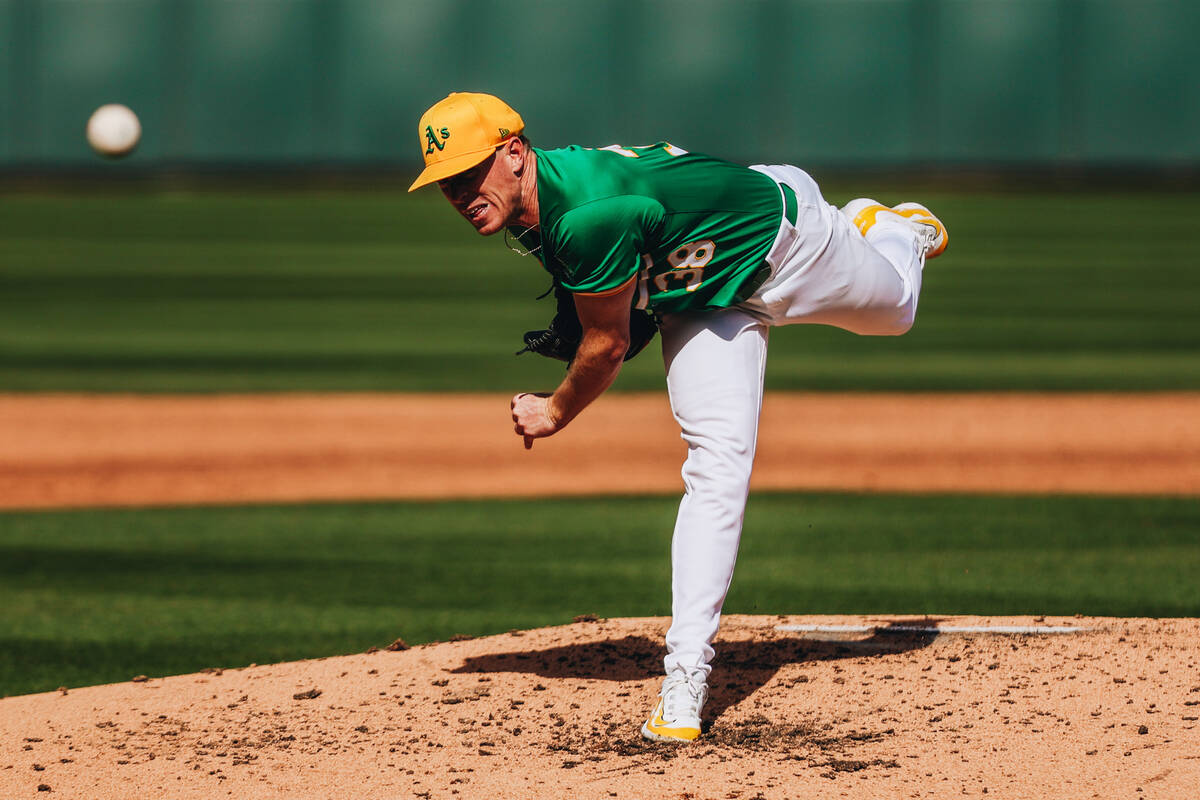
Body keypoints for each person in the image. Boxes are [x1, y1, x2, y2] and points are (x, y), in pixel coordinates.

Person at [408, 92, 948, 743]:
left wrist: (554, 410)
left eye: (470, 171)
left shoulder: (583, 213)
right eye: (446, 183)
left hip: (786, 242)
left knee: (895, 312)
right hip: (700, 296)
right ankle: (685, 681)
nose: (460, 192)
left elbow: (606, 347)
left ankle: (887, 227)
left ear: (516, 153)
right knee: (717, 466)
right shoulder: (538, 206)